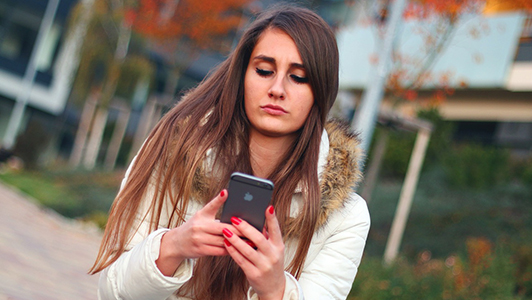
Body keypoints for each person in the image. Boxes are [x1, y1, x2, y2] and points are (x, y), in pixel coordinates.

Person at [90, 5, 370, 300]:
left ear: (321, 91)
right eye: (264, 70)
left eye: (298, 77)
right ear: (243, 75)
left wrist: (276, 290)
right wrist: (172, 247)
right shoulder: (173, 153)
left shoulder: (346, 219)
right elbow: (111, 291)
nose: (277, 88)